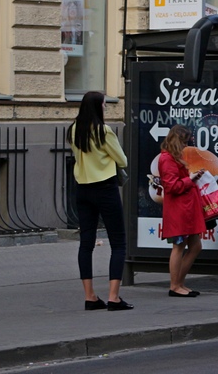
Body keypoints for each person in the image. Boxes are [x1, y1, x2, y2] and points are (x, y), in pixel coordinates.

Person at [69, 91, 132, 311]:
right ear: (97, 107)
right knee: (119, 243)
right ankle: (114, 297)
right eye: (104, 105)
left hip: (82, 189)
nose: (106, 107)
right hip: (105, 188)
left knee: (86, 244)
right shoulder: (104, 131)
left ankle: (90, 296)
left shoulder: (74, 130)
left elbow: (77, 157)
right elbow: (122, 160)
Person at [158, 125, 206, 297]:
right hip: (179, 210)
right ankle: (175, 285)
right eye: (185, 141)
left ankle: (179, 283)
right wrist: (190, 179)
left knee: (195, 246)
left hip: (185, 209)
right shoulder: (167, 159)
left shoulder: (173, 157)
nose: (186, 145)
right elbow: (172, 186)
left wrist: (191, 178)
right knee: (179, 246)